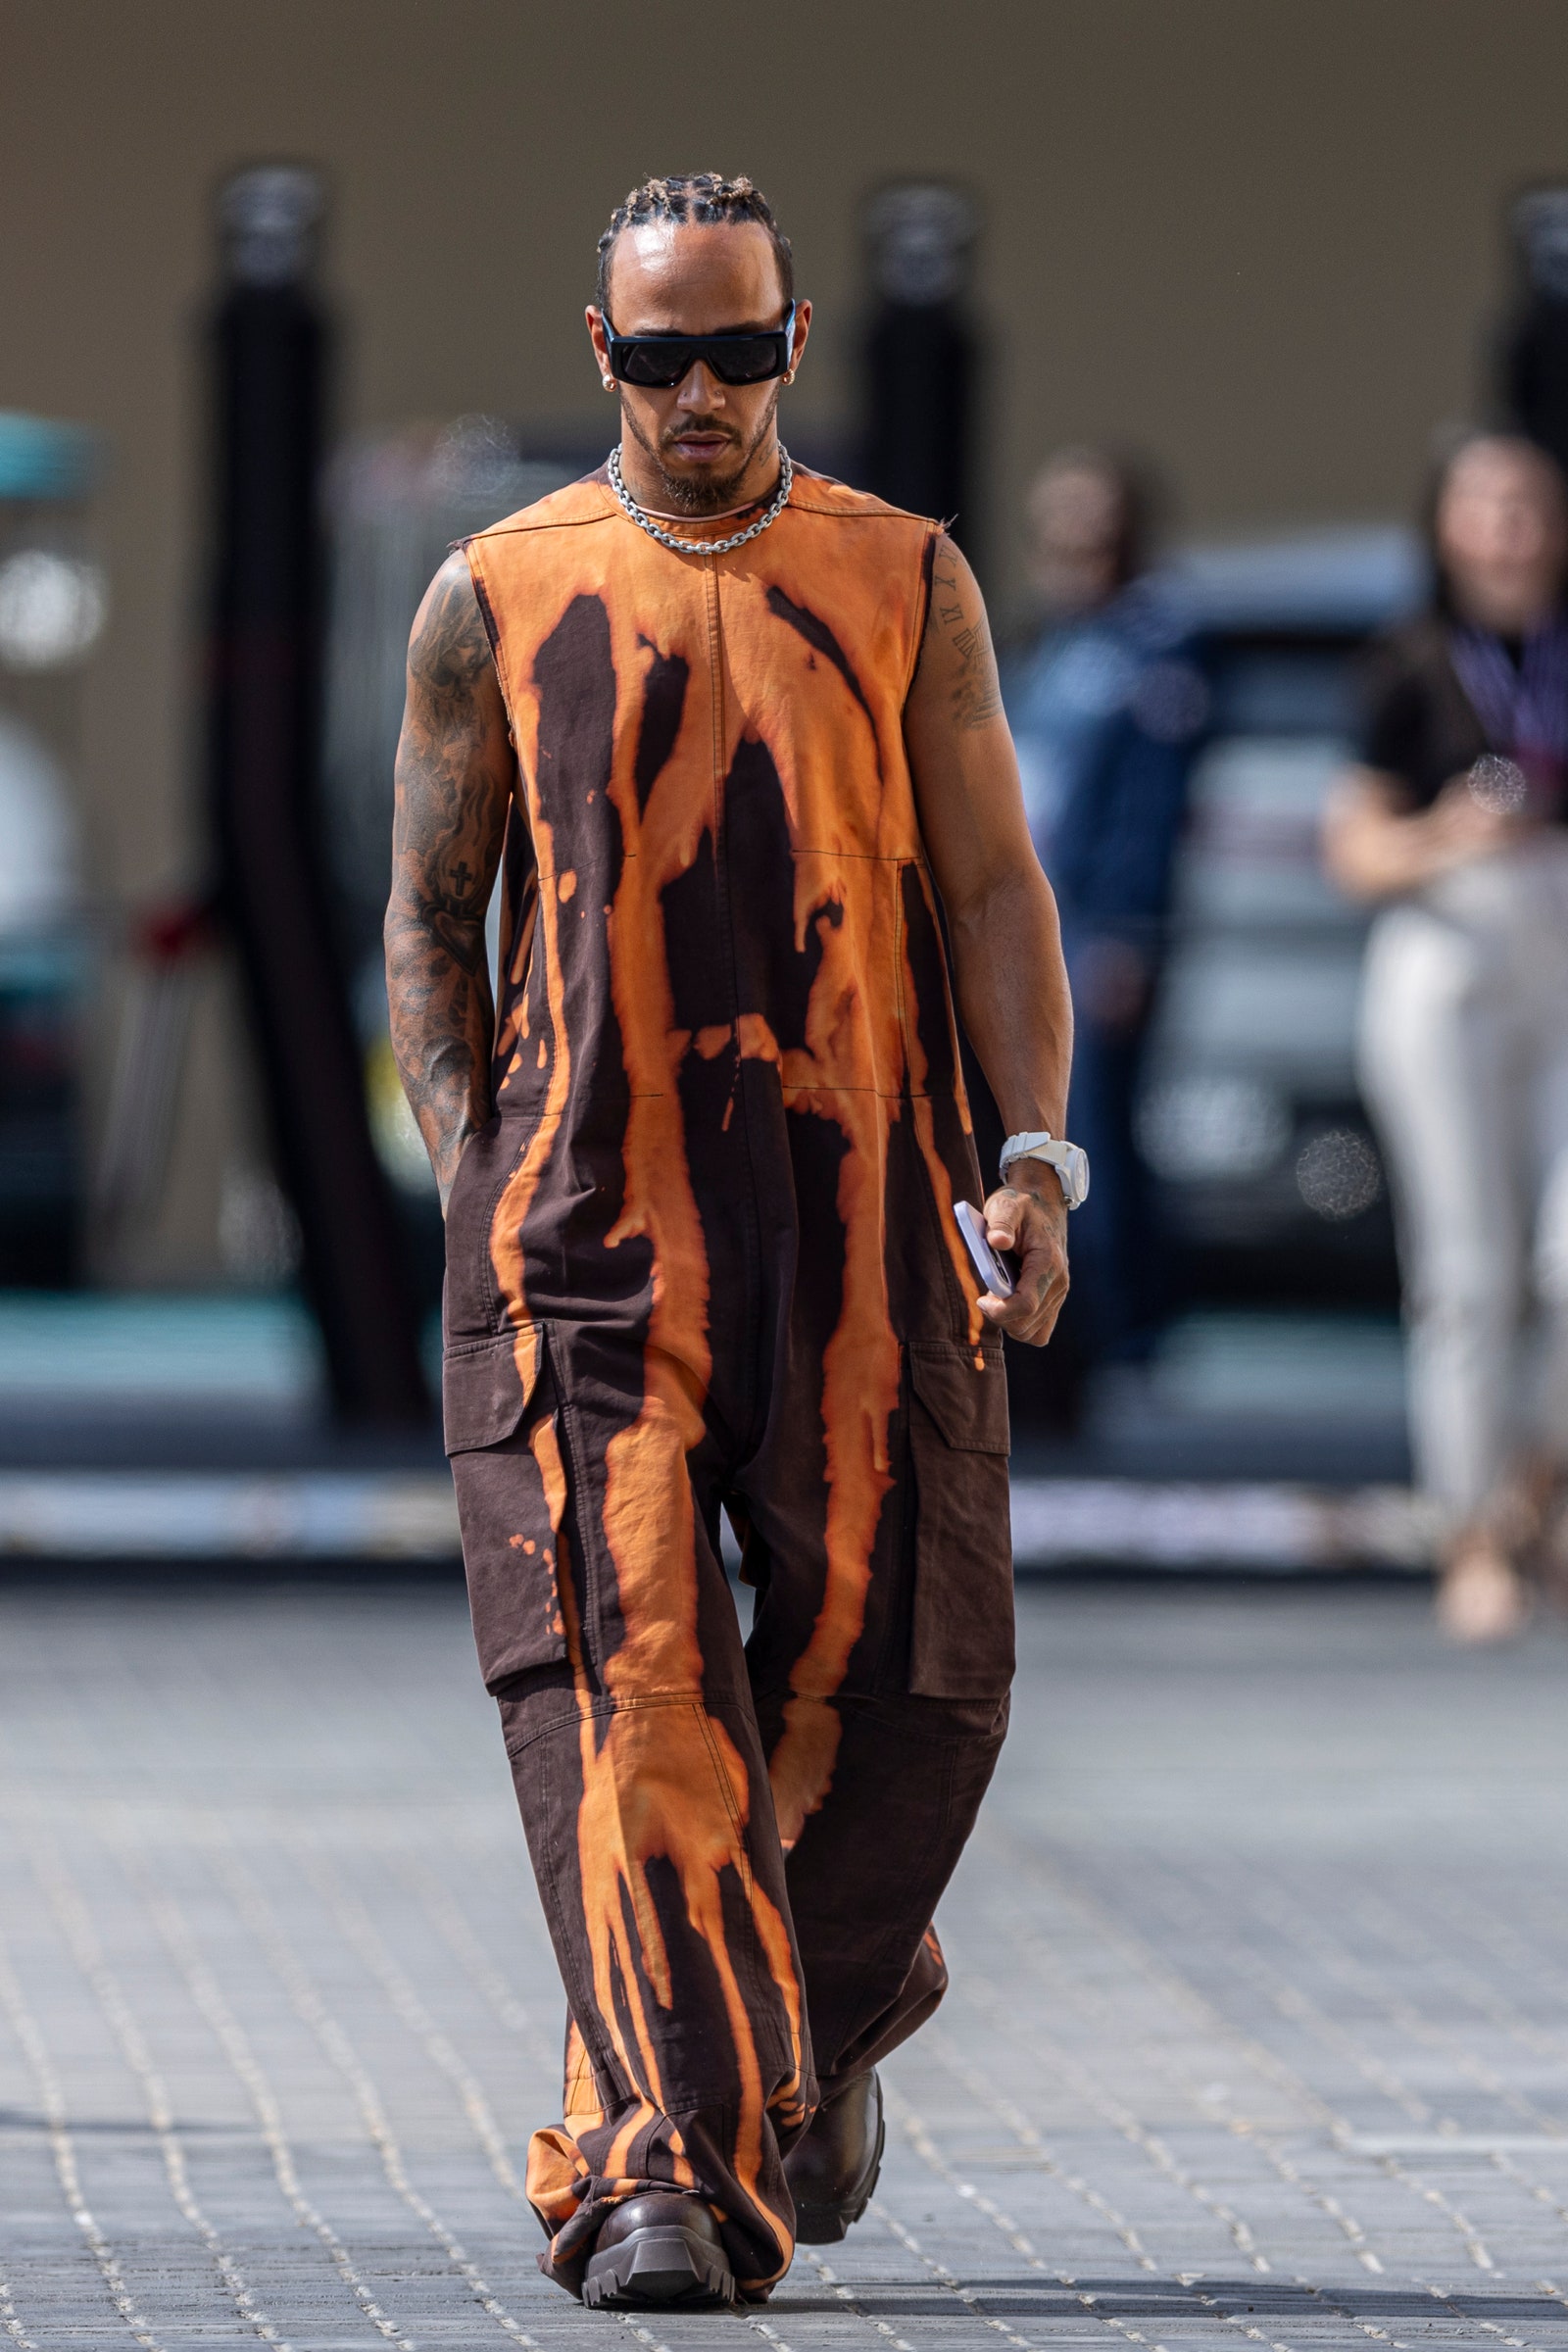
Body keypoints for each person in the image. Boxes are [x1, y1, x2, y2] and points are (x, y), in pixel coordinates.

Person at [384, 173, 1081, 2311]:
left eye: (745, 351)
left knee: (910, 1691)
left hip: (864, 1216)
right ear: (599, 354)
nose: (705, 396)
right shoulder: (495, 594)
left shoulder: (902, 580)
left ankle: (805, 2012)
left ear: (792, 344)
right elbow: (428, 914)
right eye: (663, 356)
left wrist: (1034, 1159)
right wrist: (464, 1173)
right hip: (585, 1239)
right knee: (636, 1688)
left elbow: (985, 892)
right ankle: (662, 2178)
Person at [1323, 430, 1568, 1642]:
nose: (1510, 531)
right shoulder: (1407, 663)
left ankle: (1537, 1489)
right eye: (1487, 508)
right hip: (1448, 960)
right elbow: (1353, 850)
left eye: (1530, 506)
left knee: (1565, 1265)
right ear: (1445, 527)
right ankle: (1473, 1532)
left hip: (1560, 960)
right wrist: (1447, 834)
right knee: (1467, 1274)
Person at [1001, 449, 1202, 1372]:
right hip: (1035, 919)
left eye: (1090, 517)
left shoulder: (1153, 649)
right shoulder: (1053, 643)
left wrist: (1129, 929)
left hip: (1096, 928)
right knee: (1038, 1125)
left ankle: (1123, 1340)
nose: (1069, 538)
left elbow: (1148, 811)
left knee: (1096, 1140)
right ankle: (1070, 1344)